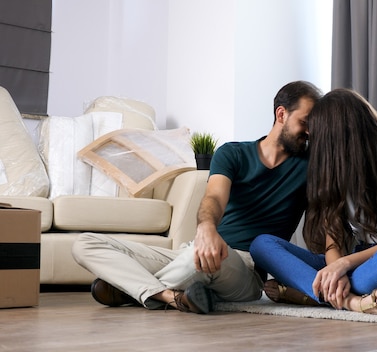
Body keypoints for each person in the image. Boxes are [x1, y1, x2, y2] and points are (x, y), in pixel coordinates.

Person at [72, 80, 323, 314]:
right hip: (198, 249)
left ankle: (129, 289)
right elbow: (214, 197)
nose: (310, 132)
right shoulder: (233, 153)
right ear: (281, 114)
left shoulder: (312, 166)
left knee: (197, 263)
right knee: (84, 244)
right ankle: (169, 296)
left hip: (243, 268)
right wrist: (206, 228)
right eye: (305, 122)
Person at [249, 88, 377, 315]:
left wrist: (342, 266)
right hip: (356, 264)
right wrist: (336, 267)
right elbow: (333, 245)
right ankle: (352, 302)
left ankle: (310, 294)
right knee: (262, 245)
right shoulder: (337, 170)